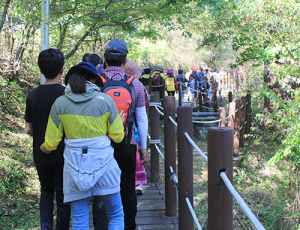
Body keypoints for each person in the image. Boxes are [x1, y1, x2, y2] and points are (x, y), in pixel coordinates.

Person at [40, 62, 125, 229]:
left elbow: (51, 143)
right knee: (115, 214)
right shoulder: (106, 100)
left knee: (79, 220)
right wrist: (119, 124)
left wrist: (42, 149)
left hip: (74, 164)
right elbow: (118, 137)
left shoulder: (60, 103)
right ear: (93, 80)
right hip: (104, 161)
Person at [98, 39, 149, 230]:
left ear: (104, 59)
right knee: (127, 188)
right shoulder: (135, 84)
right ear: (125, 60)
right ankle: (130, 226)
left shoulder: (96, 82)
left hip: (101, 145)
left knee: (101, 189)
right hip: (127, 144)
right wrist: (143, 147)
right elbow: (141, 118)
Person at [24, 48, 71, 230]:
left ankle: (45, 226)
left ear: (40, 70)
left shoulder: (32, 95)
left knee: (46, 190)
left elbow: (28, 128)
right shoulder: (67, 95)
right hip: (64, 154)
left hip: (40, 152)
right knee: (63, 195)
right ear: (62, 70)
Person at [124, 60, 148, 195]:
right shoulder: (139, 86)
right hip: (134, 129)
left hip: (115, 130)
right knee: (136, 154)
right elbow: (143, 114)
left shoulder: (107, 83)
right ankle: (137, 183)